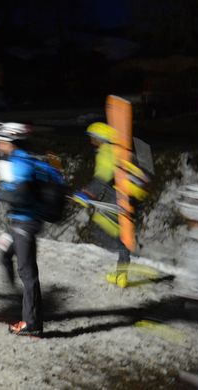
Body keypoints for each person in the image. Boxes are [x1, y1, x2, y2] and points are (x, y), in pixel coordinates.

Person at [76, 122, 150, 286]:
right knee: (122, 237)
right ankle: (121, 275)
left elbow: (102, 178)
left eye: (92, 138)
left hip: (117, 198)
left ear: (99, 138)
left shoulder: (106, 152)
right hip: (131, 198)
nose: (91, 141)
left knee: (104, 228)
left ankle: (121, 271)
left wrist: (85, 194)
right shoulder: (119, 150)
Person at [0, 122, 44, 336]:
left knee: (27, 272)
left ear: (10, 142)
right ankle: (17, 297)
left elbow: (18, 195)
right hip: (17, 223)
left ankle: (32, 324)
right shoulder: (14, 161)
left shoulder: (21, 164)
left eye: (0, 141)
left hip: (26, 223)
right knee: (4, 254)